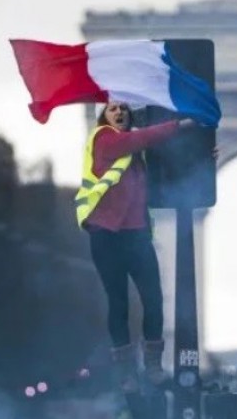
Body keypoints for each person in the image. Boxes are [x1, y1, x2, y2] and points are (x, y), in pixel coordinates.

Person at [75, 101, 196, 393]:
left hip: (136, 235)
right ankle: (127, 373)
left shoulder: (136, 155)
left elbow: (168, 170)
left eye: (124, 110)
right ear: (103, 117)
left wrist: (205, 156)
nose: (119, 113)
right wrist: (179, 125)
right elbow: (141, 138)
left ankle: (152, 366)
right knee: (119, 303)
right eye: (113, 109)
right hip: (107, 233)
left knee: (154, 299)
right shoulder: (104, 139)